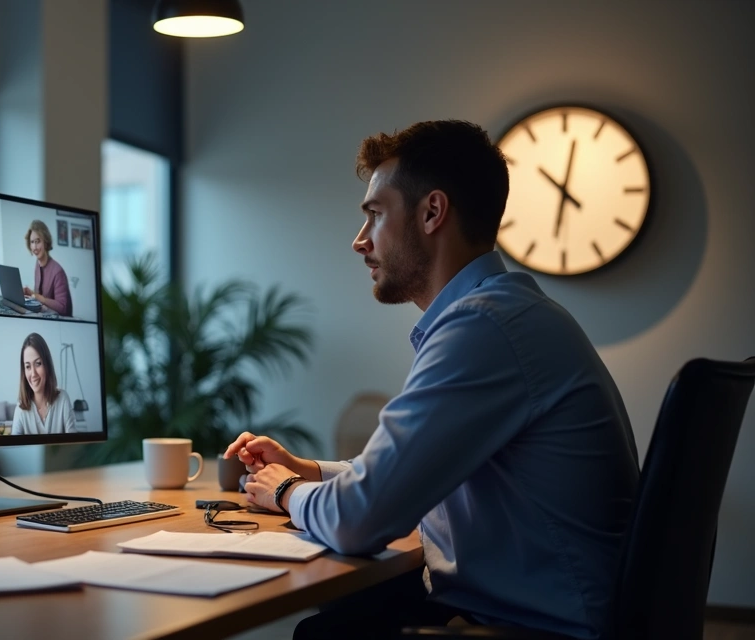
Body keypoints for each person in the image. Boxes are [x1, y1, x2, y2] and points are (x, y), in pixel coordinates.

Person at [223, 120, 639, 640]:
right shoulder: (503, 315)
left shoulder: (485, 327)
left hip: (537, 628)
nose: (359, 241)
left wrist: (285, 490)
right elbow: (406, 472)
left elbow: (363, 519)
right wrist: (308, 470)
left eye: (375, 215)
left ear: (432, 212)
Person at [11, 332, 76, 435]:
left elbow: (74, 441)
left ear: (47, 365)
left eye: (38, 364)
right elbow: (14, 447)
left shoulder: (63, 399)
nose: (33, 374)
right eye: (28, 366)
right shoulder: (20, 409)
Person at [23, 219, 72, 316]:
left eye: (38, 241)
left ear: (45, 242)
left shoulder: (57, 271)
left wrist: (39, 298)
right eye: (32, 242)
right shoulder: (38, 264)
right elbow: (41, 296)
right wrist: (31, 293)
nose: (35, 247)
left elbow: (63, 307)